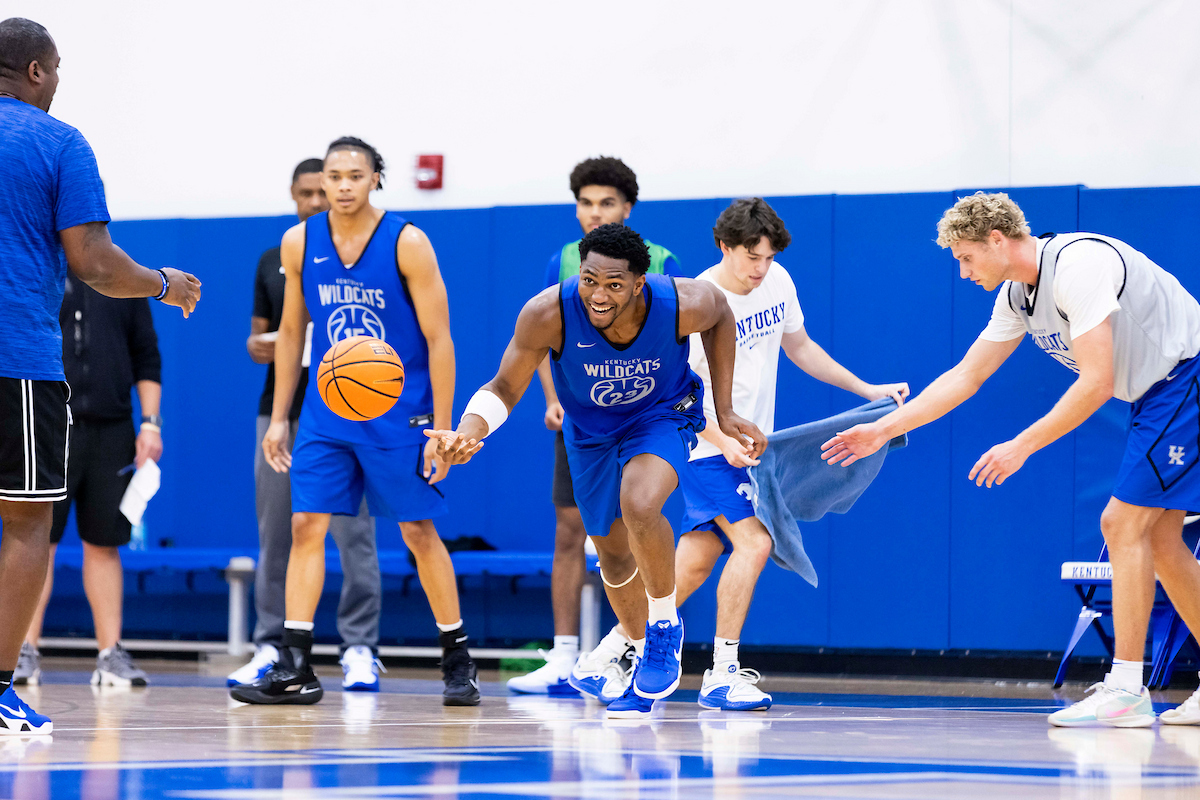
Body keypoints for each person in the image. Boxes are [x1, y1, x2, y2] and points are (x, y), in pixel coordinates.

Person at [821, 192, 1200, 728]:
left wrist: (1021, 445)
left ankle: (1127, 688)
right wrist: (883, 429)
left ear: (997, 240)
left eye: (965, 258)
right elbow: (965, 376)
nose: (962, 272)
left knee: (1120, 523)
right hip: (1158, 395)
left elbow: (1096, 383)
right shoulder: (1019, 297)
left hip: (1186, 379)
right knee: (1159, 539)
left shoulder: (1079, 264)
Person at [428, 223, 767, 720]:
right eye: (589, 280)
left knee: (640, 502)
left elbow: (720, 319)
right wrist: (468, 430)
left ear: (639, 283)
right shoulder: (548, 313)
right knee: (610, 552)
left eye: (613, 284)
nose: (598, 294)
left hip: (662, 415)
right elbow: (503, 386)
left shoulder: (684, 301)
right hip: (588, 434)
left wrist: (725, 408)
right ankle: (633, 652)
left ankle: (663, 629)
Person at [0, 17, 200, 735]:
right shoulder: (57, 142)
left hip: (95, 409)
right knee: (27, 526)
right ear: (35, 72)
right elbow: (93, 262)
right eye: (56, 69)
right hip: (16, 363)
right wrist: (164, 283)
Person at [230, 137, 479, 707]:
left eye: (354, 176)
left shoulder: (407, 242)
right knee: (305, 526)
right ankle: (296, 664)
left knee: (417, 531)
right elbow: (292, 332)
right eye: (334, 175)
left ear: (375, 180)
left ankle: (456, 658)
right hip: (324, 412)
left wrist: (442, 427)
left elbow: (441, 340)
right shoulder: (299, 241)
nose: (342, 185)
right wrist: (279, 420)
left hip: (400, 412)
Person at [673, 198, 909, 710]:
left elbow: (800, 347)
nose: (761, 269)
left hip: (753, 445)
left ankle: (620, 645)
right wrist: (721, 441)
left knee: (698, 558)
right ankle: (721, 672)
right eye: (752, 258)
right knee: (756, 543)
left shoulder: (777, 282)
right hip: (705, 443)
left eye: (769, 258)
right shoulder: (699, 302)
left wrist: (864, 389)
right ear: (724, 248)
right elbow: (680, 395)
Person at [510, 156, 685, 696]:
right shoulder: (562, 261)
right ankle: (565, 655)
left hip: (643, 411)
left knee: (638, 512)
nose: (593, 212)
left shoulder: (662, 262)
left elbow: (678, 334)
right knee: (574, 531)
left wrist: (715, 411)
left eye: (605, 202)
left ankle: (643, 637)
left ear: (627, 209)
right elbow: (541, 335)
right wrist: (549, 398)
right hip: (581, 414)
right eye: (585, 203)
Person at [227, 159, 384, 693]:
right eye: (307, 193)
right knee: (277, 533)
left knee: (353, 533)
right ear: (293, 197)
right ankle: (272, 643)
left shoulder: (368, 254)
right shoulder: (277, 258)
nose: (316, 201)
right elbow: (258, 341)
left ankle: (359, 645)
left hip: (352, 413)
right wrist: (266, 345)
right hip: (283, 412)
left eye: (324, 191)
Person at [16, 274, 164, 688]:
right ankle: (21, 651)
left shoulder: (124, 277)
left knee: (104, 543)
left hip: (111, 429)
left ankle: (109, 654)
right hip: (47, 424)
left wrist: (150, 424)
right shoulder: (37, 270)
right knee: (35, 540)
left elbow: (147, 356)